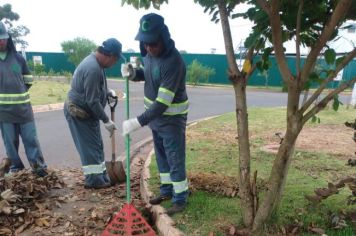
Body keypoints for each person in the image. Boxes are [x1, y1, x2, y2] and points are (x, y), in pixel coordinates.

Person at [121, 13, 189, 216]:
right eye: (145, 43)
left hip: (171, 120)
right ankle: (167, 190)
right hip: (156, 121)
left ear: (164, 39)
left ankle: (180, 197)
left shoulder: (174, 62)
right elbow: (149, 75)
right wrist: (134, 74)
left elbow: (162, 103)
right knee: (161, 156)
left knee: (174, 157)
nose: (149, 48)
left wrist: (137, 122)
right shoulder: (149, 55)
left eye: (153, 43)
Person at [64, 38, 121, 189]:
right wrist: (106, 120)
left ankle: (101, 176)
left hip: (89, 113)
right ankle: (94, 181)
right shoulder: (92, 68)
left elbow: (95, 88)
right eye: (115, 60)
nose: (114, 64)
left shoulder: (97, 64)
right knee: (89, 147)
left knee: (96, 145)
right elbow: (92, 101)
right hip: (80, 112)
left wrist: (107, 92)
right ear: (109, 55)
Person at [0, 22, 48, 177]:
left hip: (24, 110)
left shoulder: (18, 59)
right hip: (4, 113)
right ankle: (16, 170)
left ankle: (39, 168)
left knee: (31, 140)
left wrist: (18, 93)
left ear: (8, 39)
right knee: (10, 145)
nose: (1, 41)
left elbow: (28, 81)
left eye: (3, 38)